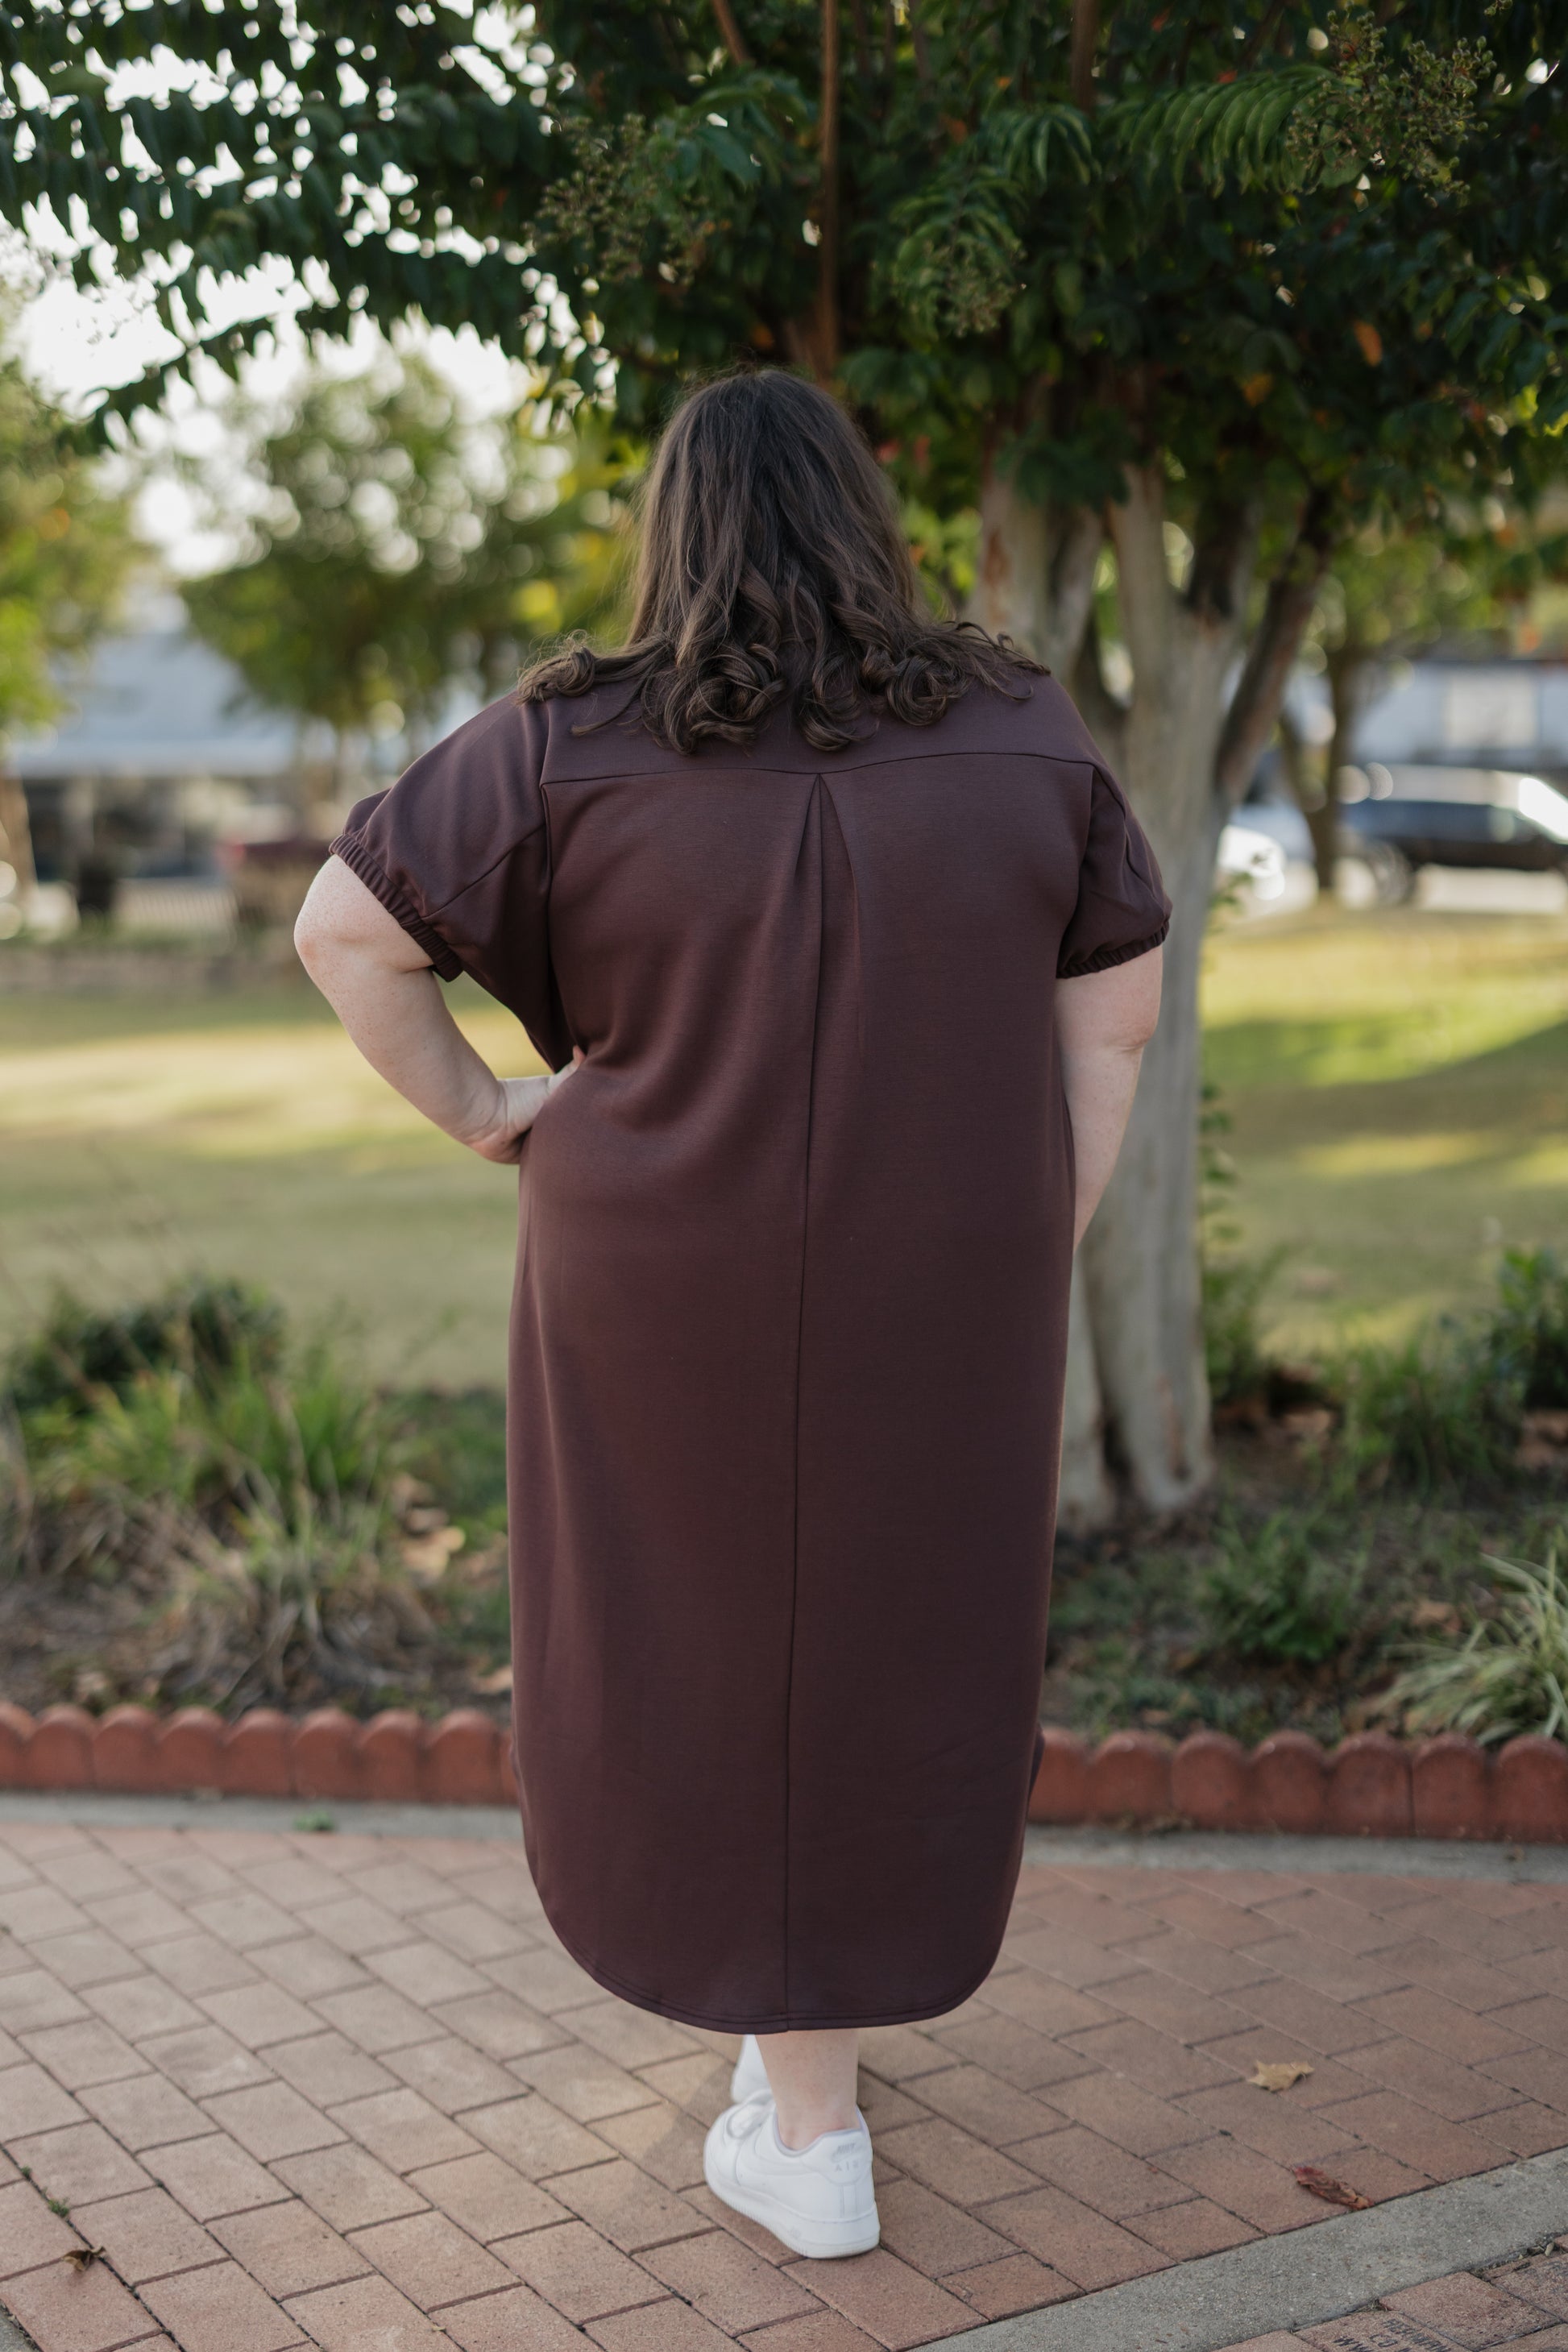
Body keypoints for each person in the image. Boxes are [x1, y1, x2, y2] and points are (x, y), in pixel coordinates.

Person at [295, 367, 1168, 2263]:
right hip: (945, 1275)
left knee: (693, 1637)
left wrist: (489, 1116)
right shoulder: (1017, 721)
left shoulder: (569, 732)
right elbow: (1114, 1001)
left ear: (673, 524)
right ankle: (810, 2098)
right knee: (886, 1636)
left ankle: (805, 2122)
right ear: (868, 511)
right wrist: (1035, 1219)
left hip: (646, 1273)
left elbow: (343, 931)